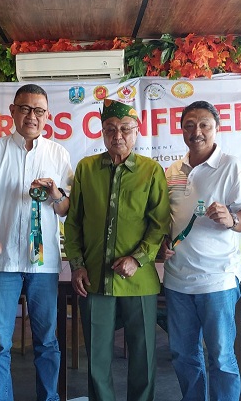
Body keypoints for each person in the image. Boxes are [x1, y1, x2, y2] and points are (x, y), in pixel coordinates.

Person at [0, 84, 72, 401]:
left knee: (47, 340)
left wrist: (55, 195)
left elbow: (65, 209)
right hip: (3, 261)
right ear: (12, 111)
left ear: (47, 115)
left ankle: (48, 397)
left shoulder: (58, 153)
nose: (32, 116)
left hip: (44, 263)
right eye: (25, 108)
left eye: (39, 111)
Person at [64, 99, 170, 401]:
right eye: (110, 129)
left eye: (125, 129)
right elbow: (74, 223)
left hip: (139, 280)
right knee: (96, 357)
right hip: (94, 278)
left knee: (143, 354)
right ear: (102, 132)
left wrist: (137, 259)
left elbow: (159, 223)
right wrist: (77, 265)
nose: (118, 136)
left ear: (136, 132)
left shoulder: (151, 171)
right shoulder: (86, 168)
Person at [161, 101, 241, 401]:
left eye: (204, 124)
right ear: (181, 130)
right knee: (183, 355)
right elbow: (170, 219)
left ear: (217, 128)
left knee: (221, 358)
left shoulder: (232, 166)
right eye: (189, 125)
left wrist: (231, 219)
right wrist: (163, 243)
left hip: (217, 280)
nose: (197, 131)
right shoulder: (173, 170)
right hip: (177, 281)